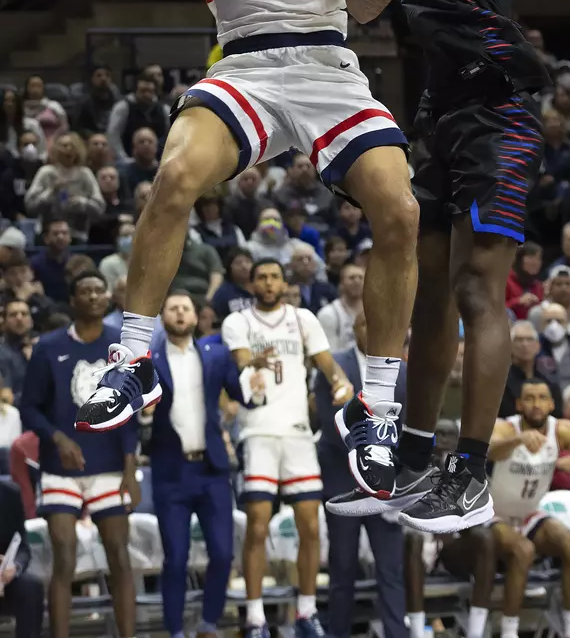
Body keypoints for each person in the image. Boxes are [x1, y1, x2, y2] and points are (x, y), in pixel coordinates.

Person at [252, 0, 550, 530]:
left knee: (476, 289)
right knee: (424, 292)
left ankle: (469, 472)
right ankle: (413, 462)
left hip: (498, 113)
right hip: (444, 112)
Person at [221, 259, 352, 637]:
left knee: (311, 525)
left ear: (284, 282)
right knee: (257, 527)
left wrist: (341, 383)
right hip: (258, 432)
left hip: (297, 433)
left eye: (274, 277)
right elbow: (243, 360)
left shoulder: (303, 319)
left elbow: (329, 366)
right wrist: (252, 361)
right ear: (252, 283)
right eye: (261, 277)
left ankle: (306, 612)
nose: (268, 283)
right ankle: (256, 618)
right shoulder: (238, 322)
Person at [21, 269, 140, 638]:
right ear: (72, 300)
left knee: (120, 558)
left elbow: (131, 408)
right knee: (65, 559)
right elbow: (29, 408)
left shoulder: (120, 347)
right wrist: (57, 438)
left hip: (108, 467)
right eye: (84, 291)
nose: (92, 296)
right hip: (60, 469)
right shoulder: (48, 346)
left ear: (108, 299)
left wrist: (130, 468)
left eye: (98, 291)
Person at [149, 291, 252, 638]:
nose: (179, 313)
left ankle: (208, 622)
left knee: (223, 554)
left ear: (197, 316)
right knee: (175, 558)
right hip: (170, 470)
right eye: (173, 308)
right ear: (163, 316)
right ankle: (175, 630)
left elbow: (242, 394)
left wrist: (255, 381)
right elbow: (136, 410)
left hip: (211, 468)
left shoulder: (216, 354)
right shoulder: (150, 359)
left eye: (185, 308)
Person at [488, 378, 570, 638]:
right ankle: (509, 631)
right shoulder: (506, 428)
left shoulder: (563, 429)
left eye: (542, 397)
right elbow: (489, 451)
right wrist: (517, 441)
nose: (536, 404)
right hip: (494, 514)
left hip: (530, 514)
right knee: (523, 550)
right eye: (529, 398)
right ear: (519, 404)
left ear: (552, 404)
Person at [314, 310, 408, 638]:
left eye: (377, 322)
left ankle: (397, 633)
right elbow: (330, 422)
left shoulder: (403, 371)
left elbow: (406, 428)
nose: (372, 328)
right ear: (354, 330)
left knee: (391, 570)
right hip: (342, 479)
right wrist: (369, 453)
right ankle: (338, 633)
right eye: (365, 323)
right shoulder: (333, 366)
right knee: (342, 570)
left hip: (386, 486)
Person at [404, 419, 496, 638]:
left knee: (484, 538)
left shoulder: (467, 470)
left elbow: (473, 518)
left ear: (458, 441)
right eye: (438, 434)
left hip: (447, 549)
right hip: (413, 547)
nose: (443, 439)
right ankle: (417, 631)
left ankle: (476, 631)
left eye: (449, 435)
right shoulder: (410, 466)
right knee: (413, 540)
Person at [24, 132, 105, 241]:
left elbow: (100, 207)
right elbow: (30, 205)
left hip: (77, 235)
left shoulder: (85, 174)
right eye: (64, 146)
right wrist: (51, 192)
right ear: (56, 150)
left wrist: (82, 203)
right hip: (48, 234)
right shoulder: (46, 173)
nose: (68, 149)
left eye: (72, 146)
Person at [0, 479, 44, 637]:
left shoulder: (9, 493)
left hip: (3, 577)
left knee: (31, 587)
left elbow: (23, 546)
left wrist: (15, 566)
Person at [498, 321, 562, 419]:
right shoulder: (499, 381)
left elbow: (557, 414)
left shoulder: (549, 379)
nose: (525, 344)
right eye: (519, 340)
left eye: (530, 339)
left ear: (538, 346)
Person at [528, 266, 570, 354]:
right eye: (558, 284)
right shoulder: (537, 314)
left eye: (568, 284)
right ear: (550, 287)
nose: (564, 288)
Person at [106, 74, 169, 164]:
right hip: (127, 160)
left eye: (150, 91)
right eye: (143, 91)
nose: (147, 94)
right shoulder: (123, 108)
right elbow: (113, 136)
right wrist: (123, 159)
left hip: (158, 161)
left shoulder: (164, 110)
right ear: (135, 91)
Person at [273, 152, 335, 229]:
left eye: (308, 166)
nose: (304, 169)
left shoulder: (326, 194)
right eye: (300, 166)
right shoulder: (280, 195)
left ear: (315, 170)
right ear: (292, 170)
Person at [318, 262, 365, 351]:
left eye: (361, 278)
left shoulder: (375, 313)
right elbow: (332, 353)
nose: (357, 281)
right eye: (352, 278)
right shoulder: (328, 313)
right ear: (341, 284)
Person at [190, 190, 247, 256]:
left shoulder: (234, 229)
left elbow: (244, 252)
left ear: (219, 206)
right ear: (200, 209)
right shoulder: (195, 232)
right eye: (205, 206)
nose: (209, 209)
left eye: (213, 205)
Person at [0, 300, 35, 405]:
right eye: (13, 315)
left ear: (31, 322)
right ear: (4, 323)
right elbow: (6, 398)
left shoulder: (41, 349)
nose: (19, 318)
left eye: (24, 314)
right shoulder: (2, 353)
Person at [22, 74, 68, 151]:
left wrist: (53, 141)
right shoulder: (21, 108)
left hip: (55, 144)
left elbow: (64, 127)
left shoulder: (53, 106)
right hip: (30, 146)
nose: (35, 89)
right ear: (26, 88)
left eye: (39, 86)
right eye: (32, 86)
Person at [29, 219, 71, 303]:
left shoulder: (77, 262)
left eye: (64, 233)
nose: (60, 237)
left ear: (70, 238)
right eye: (55, 234)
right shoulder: (34, 263)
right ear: (46, 238)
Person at [72, 65, 119, 137]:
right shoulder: (83, 103)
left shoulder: (119, 102)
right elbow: (78, 128)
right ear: (92, 79)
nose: (103, 78)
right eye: (99, 75)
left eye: (107, 75)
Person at [225, 168, 272, 238]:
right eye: (245, 179)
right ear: (238, 182)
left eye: (253, 179)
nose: (249, 182)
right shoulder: (229, 204)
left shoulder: (266, 205)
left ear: (259, 182)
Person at [288, 241, 334, 313]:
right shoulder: (285, 289)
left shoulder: (328, 289)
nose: (305, 262)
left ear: (315, 264)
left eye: (309, 259)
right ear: (291, 265)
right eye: (300, 259)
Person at [210, 247, 254, 320]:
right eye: (238, 263)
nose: (244, 266)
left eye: (247, 262)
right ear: (230, 268)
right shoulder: (223, 293)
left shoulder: (261, 287)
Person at [505, 242, 543, 321]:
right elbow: (497, 310)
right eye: (531, 257)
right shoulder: (506, 281)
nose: (535, 262)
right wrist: (518, 301)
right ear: (520, 259)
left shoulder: (538, 285)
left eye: (538, 258)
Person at [119, 126, 160, 192]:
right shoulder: (125, 174)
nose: (146, 145)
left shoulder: (163, 172)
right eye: (141, 142)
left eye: (150, 142)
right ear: (134, 148)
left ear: (156, 148)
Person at [99, 221, 135, 291]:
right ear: (117, 239)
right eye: (125, 235)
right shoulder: (107, 263)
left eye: (133, 235)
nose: (129, 239)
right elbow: (107, 291)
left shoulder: (146, 263)